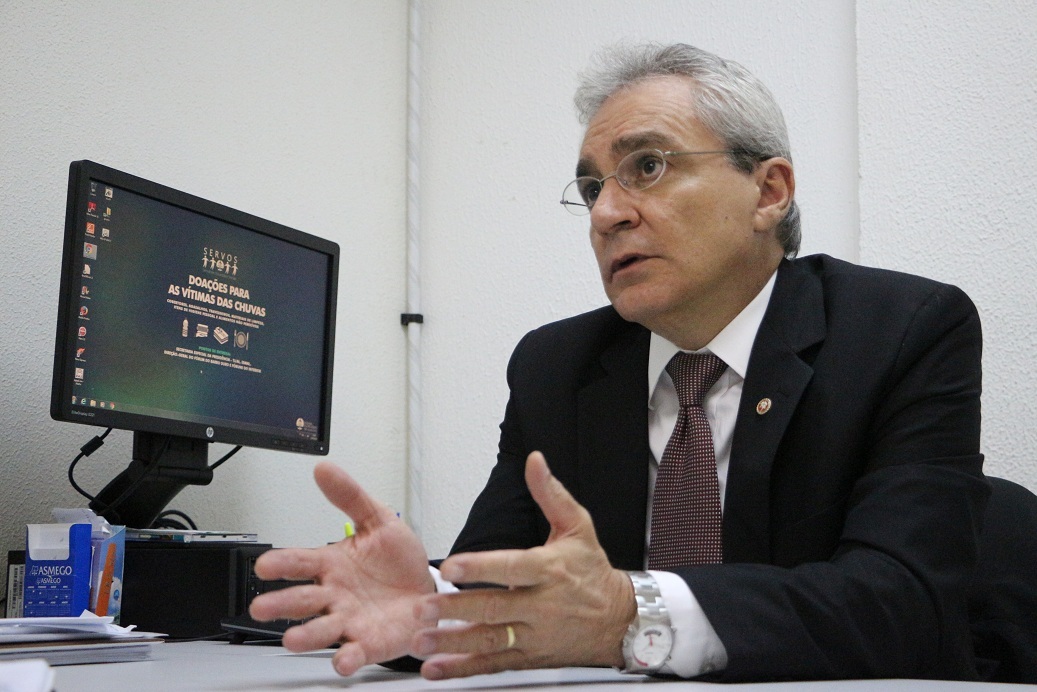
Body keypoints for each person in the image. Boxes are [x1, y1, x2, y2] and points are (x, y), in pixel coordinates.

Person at [250, 42, 988, 682]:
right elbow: (502, 572)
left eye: (648, 165)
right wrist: (430, 603)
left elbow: (905, 603)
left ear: (768, 192)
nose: (606, 213)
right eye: (592, 187)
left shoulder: (902, 331)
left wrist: (630, 617)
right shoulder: (557, 366)